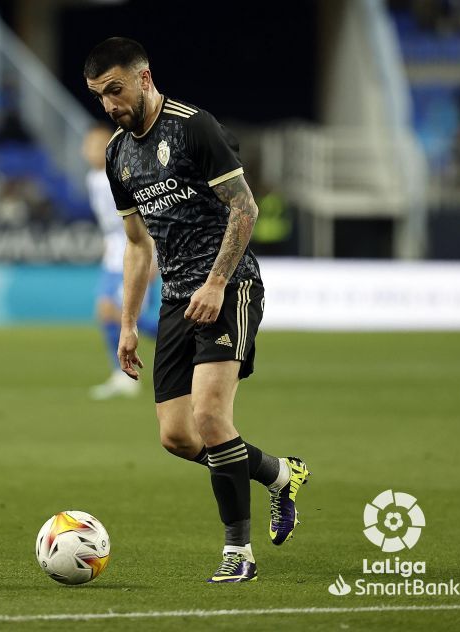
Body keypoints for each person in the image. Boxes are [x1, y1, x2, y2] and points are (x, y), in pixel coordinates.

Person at [84, 38, 309, 583]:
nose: (110, 104)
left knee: (211, 419)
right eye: (98, 96)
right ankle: (279, 474)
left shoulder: (193, 127)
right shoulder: (118, 155)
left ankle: (239, 553)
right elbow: (139, 246)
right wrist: (129, 325)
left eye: (115, 89)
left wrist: (215, 282)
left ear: (143, 78)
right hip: (177, 299)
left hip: (230, 287)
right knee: (178, 437)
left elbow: (245, 208)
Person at [82, 123, 159, 400]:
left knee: (119, 314)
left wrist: (152, 258)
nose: (86, 151)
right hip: (113, 256)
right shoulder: (93, 179)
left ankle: (182, 341)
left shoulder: (120, 176)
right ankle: (122, 375)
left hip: (133, 253)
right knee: (106, 313)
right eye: (86, 145)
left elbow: (146, 217)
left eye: (93, 145)